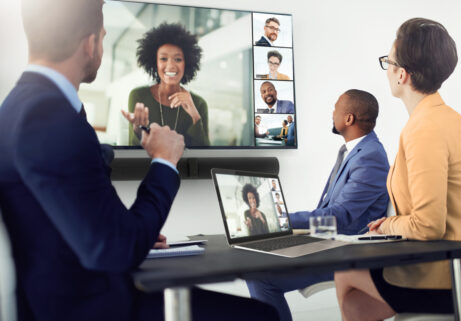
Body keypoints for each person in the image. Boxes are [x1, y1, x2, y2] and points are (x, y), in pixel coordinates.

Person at [0, 1, 277, 320]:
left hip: (81, 289)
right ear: (91, 44)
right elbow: (114, 248)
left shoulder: (23, 107)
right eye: (103, 37)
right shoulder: (47, 116)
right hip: (94, 304)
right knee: (262, 316)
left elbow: (91, 222)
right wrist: (164, 161)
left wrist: (137, 234)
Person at [333, 18, 461, 321]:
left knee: (344, 271)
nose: (387, 68)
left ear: (402, 74)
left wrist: (387, 225)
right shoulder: (440, 118)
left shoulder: (426, 128)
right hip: (459, 265)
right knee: (355, 305)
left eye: (388, 61)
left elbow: (428, 226)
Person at [246, 89, 390, 321]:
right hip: (329, 241)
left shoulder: (369, 157)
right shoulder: (354, 151)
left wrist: (281, 220)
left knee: (260, 276)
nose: (332, 113)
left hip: (347, 251)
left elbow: (339, 217)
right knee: (257, 257)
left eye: (335, 108)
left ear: (349, 118)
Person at [122, 23, 210, 147]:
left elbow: (206, 155)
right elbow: (134, 150)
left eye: (178, 59)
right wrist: (138, 129)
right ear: (154, 62)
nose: (170, 66)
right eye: (163, 59)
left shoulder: (199, 103)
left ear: (187, 63)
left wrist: (195, 115)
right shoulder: (139, 96)